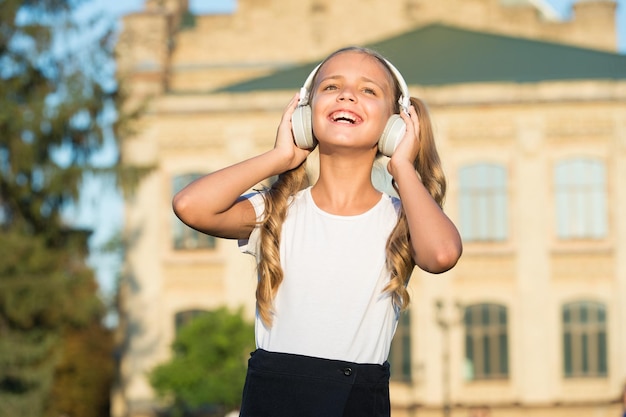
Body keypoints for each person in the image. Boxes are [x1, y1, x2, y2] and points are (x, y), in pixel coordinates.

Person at [173, 46, 462, 417]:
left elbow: (441, 255)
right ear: (305, 116)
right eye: (331, 87)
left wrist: (402, 166)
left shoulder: (400, 219)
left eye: (368, 90)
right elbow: (189, 206)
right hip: (272, 401)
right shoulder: (275, 209)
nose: (347, 95)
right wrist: (280, 156)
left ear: (395, 125)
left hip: (357, 401)